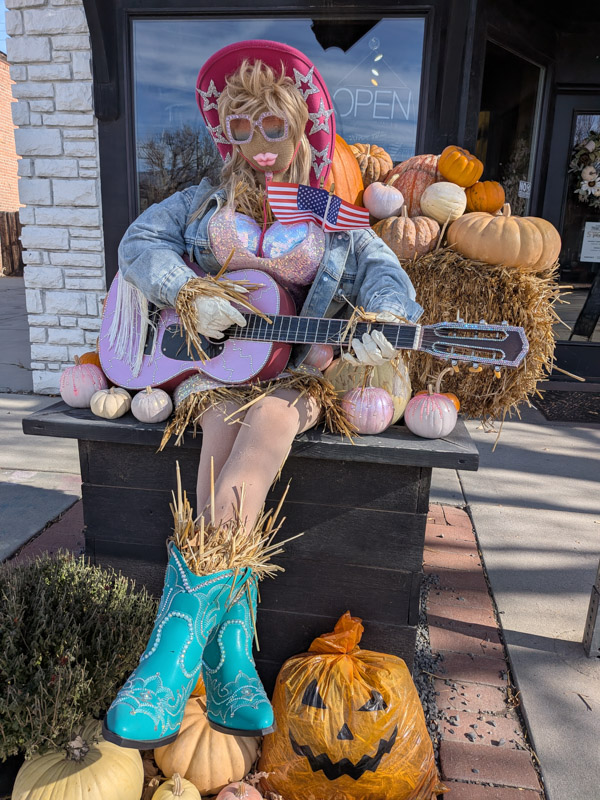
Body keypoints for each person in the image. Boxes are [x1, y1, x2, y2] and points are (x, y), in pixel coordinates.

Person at [102, 39, 422, 751]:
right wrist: (187, 290)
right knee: (219, 435)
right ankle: (231, 664)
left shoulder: (326, 211)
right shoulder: (201, 202)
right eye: (240, 129)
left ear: (302, 126)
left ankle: (167, 662)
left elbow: (385, 274)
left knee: (270, 425)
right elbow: (137, 244)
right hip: (222, 372)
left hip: (301, 375)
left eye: (271, 126)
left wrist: (386, 324)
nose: (256, 145)